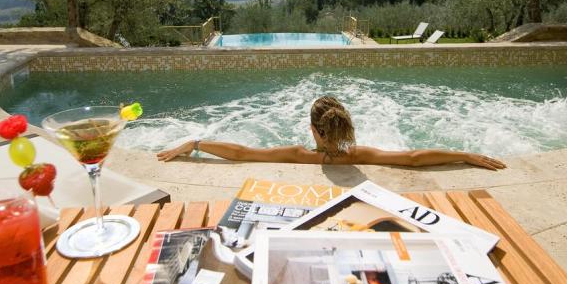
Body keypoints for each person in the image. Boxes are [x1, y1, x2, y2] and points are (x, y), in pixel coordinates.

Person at [156, 96, 507, 170]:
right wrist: (463, 153)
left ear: (312, 130)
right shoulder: (358, 154)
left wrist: (197, 142)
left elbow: (242, 152)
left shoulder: (298, 154)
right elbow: (414, 158)